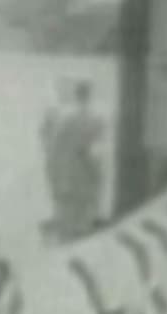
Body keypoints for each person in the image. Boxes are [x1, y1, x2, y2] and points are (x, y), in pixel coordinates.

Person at [41, 80, 107, 243]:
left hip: (71, 170)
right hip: (85, 167)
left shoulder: (67, 118)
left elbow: (56, 147)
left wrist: (54, 170)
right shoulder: (96, 118)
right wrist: (97, 170)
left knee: (68, 209)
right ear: (88, 96)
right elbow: (98, 147)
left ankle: (68, 236)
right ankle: (80, 234)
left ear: (76, 95)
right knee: (84, 208)